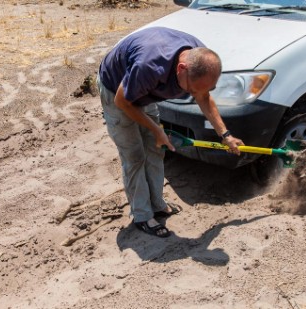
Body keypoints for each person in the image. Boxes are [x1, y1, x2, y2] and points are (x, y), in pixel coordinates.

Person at [97, 26, 244, 238]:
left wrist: (225, 135)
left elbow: (203, 97)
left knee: (156, 149)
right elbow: (123, 100)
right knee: (135, 155)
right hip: (116, 92)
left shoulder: (199, 58)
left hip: (142, 90)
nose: (193, 95)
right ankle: (142, 215)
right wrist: (157, 129)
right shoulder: (150, 66)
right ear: (181, 68)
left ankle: (157, 205)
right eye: (191, 89)